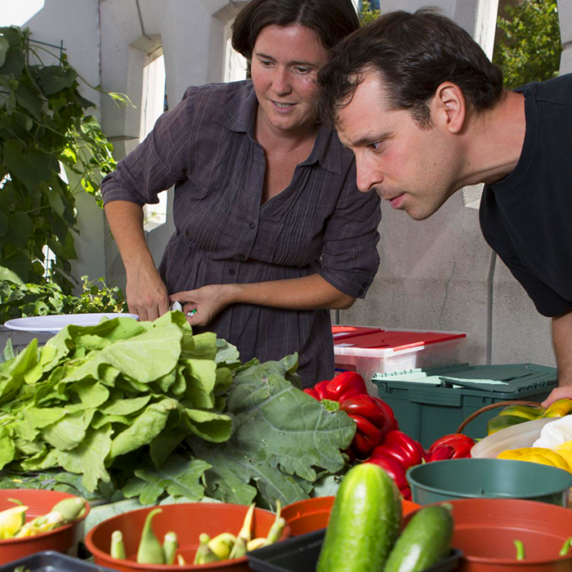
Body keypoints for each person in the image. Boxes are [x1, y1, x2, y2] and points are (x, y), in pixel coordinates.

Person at [101, 0, 381, 388]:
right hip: (176, 348)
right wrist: (140, 271)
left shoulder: (351, 151)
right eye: (266, 62)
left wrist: (233, 292)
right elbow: (124, 185)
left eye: (303, 70)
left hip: (288, 361)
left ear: (337, 71)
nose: (279, 86)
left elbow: (343, 283)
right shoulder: (204, 112)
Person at [317, 8, 572, 405]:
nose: (362, 179)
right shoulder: (499, 219)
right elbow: (567, 309)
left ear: (449, 107)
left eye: (376, 144)